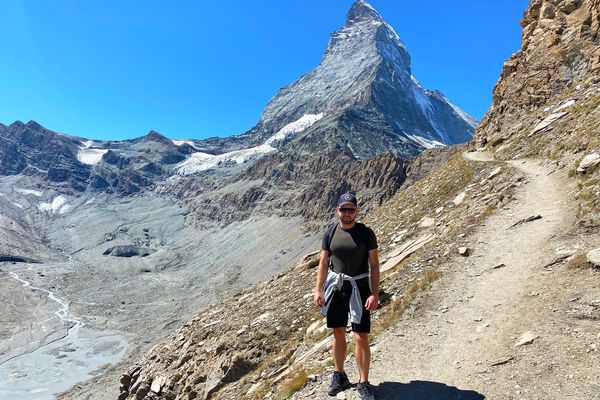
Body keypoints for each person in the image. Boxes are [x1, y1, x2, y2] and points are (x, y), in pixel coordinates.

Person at [313, 192, 380, 400]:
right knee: (338, 332)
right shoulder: (330, 232)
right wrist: (318, 289)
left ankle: (363, 381)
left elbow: (374, 265)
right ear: (337, 210)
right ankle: (339, 374)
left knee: (361, 336)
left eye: (351, 209)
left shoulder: (366, 233)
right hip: (337, 288)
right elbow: (323, 263)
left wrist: (374, 293)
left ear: (357, 211)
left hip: (360, 288)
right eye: (344, 209)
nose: (347, 213)